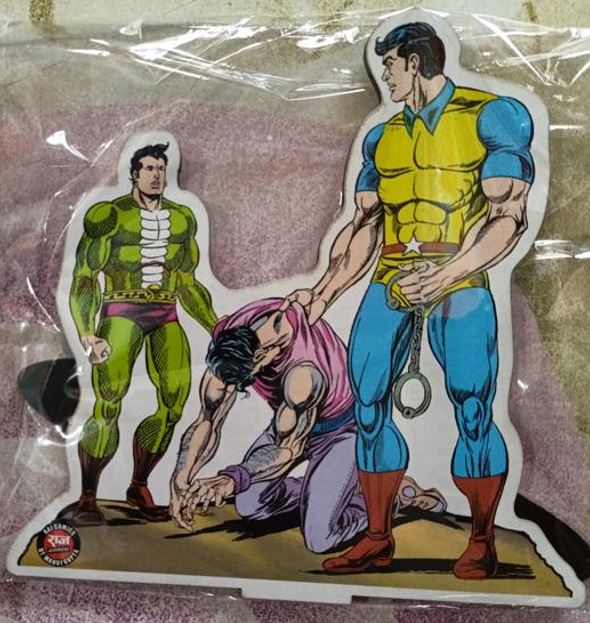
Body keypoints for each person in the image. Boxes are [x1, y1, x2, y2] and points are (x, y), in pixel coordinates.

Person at [282, 22, 534, 578]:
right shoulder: (381, 137)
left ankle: (482, 540)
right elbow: (364, 226)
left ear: (414, 62)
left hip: (461, 279)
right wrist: (322, 295)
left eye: (390, 65)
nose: (385, 76)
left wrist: (447, 275)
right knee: (367, 403)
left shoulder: (491, 115)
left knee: (473, 406)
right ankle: (377, 537)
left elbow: (508, 217)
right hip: (392, 276)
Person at [170, 298, 446, 553]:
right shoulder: (231, 337)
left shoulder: (303, 374)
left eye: (245, 379)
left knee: (320, 537)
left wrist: (233, 478)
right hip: (288, 421)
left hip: (341, 431)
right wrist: (181, 478)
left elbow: (287, 450)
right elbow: (207, 420)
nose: (233, 389)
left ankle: (390, 498)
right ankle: (333, 491)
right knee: (251, 503)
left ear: (262, 355)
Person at [69, 142, 217, 525]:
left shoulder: (182, 219)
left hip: (165, 312)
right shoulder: (109, 215)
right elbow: (84, 277)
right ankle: (87, 496)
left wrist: (217, 327)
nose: (155, 175)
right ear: (134, 174)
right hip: (121, 312)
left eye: (160, 169)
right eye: (149, 168)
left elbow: (187, 282)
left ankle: (138, 486)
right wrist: (87, 332)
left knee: (173, 404)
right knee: (109, 403)